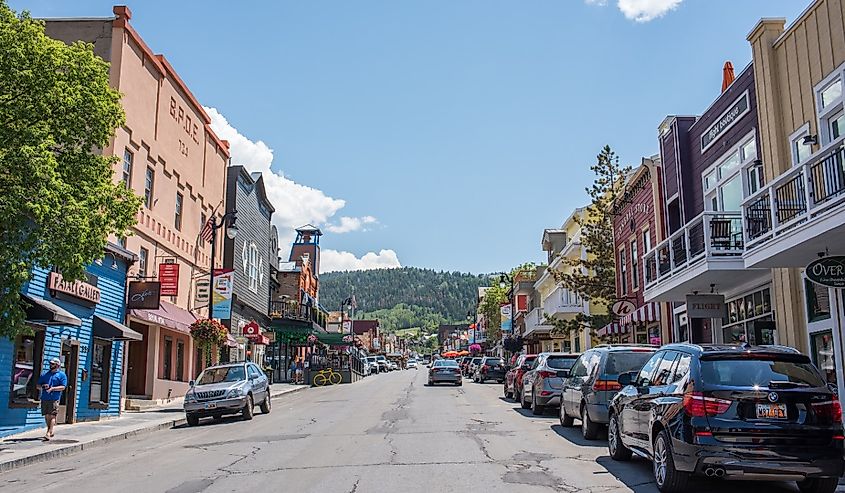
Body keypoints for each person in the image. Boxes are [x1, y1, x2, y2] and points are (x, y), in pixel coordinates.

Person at [38, 357, 67, 441]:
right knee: (47, 416)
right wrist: (43, 386)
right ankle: (50, 430)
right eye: (50, 363)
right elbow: (38, 385)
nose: (51, 365)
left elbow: (63, 387)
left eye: (53, 364)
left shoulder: (61, 375)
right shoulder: (45, 374)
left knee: (52, 415)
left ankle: (48, 432)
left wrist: (52, 389)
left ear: (57, 365)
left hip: (54, 398)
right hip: (44, 397)